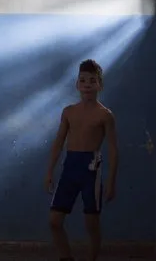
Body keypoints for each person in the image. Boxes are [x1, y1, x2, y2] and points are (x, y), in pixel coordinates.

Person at [45, 59, 119, 261]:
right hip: (70, 168)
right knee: (54, 220)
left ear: (99, 85)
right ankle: (66, 258)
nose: (87, 84)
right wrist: (50, 171)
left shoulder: (105, 115)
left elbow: (113, 149)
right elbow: (58, 143)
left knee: (91, 223)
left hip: (90, 170)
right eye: (83, 80)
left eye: (92, 81)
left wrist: (111, 182)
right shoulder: (68, 112)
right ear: (77, 84)